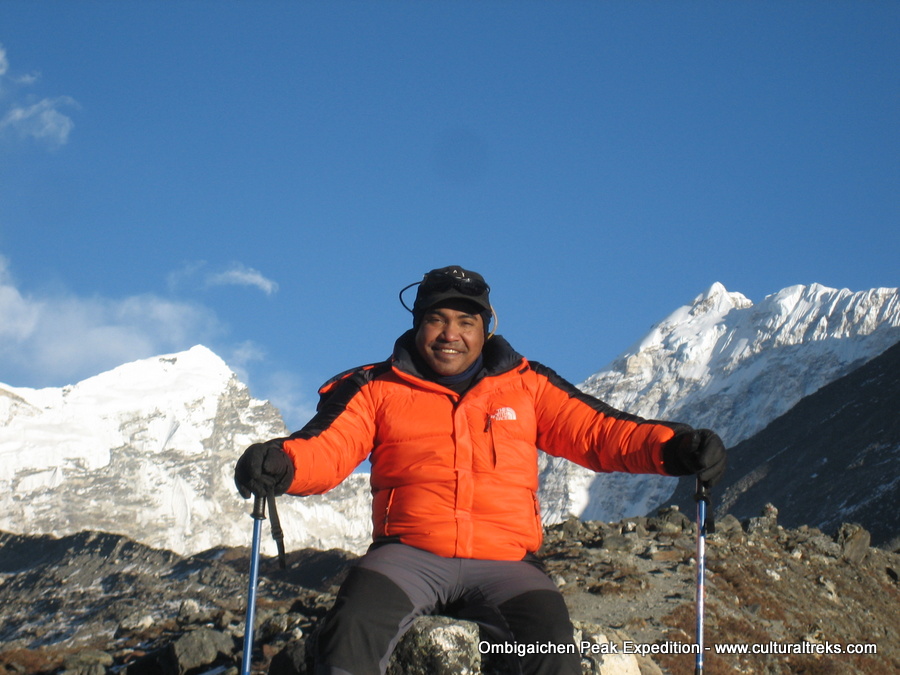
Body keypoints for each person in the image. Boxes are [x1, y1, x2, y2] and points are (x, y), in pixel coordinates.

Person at [234, 265, 726, 675]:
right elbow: (329, 446)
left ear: (485, 329)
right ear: (416, 326)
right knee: (350, 633)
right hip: (408, 555)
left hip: (506, 563)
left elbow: (599, 432)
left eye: (466, 322)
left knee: (551, 646)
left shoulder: (527, 385)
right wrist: (283, 462)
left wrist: (675, 448)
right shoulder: (375, 388)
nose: (451, 335)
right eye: (437, 320)